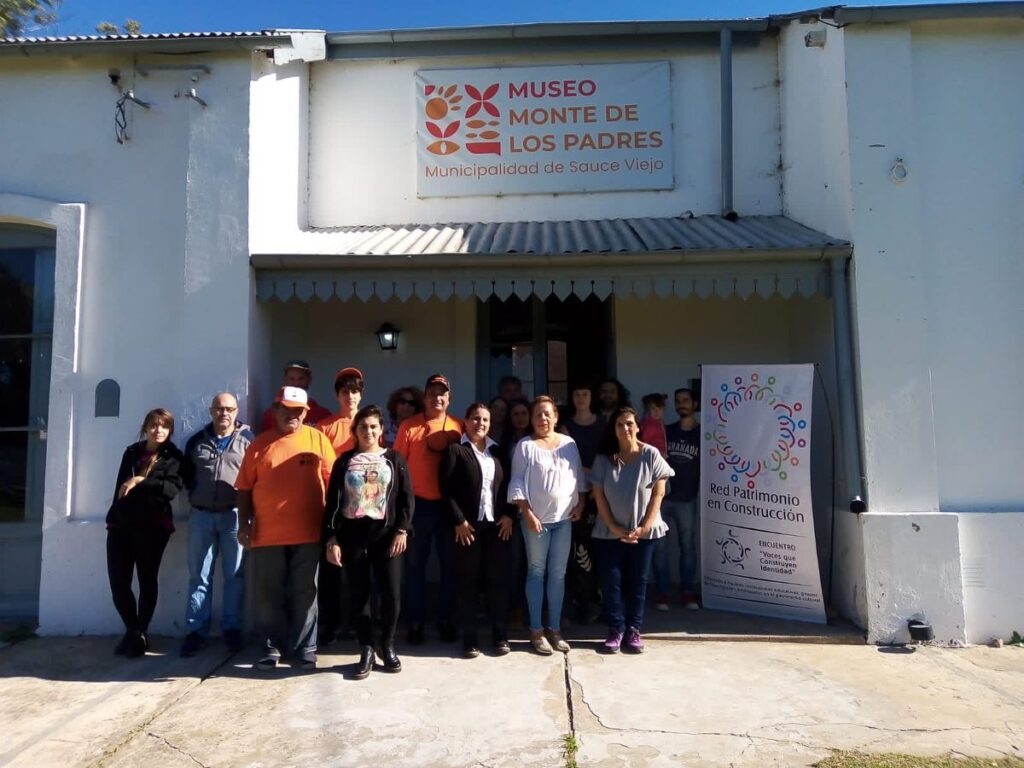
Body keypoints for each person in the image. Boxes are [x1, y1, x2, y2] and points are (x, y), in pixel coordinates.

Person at [236, 386, 336, 670]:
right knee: (269, 593)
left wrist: (333, 529)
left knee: (305, 592)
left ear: (305, 412)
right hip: (267, 534)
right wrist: (244, 524)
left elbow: (334, 483)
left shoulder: (317, 439)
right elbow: (244, 488)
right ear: (276, 410)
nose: (292, 415)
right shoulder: (259, 444)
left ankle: (305, 648)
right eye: (286, 409)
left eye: (298, 410)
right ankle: (271, 647)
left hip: (309, 532)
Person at [325, 405, 413, 679]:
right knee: (359, 595)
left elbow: (406, 499)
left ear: (381, 429)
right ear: (355, 430)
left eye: (373, 426)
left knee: (391, 594)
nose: (368, 431)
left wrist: (402, 530)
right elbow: (333, 502)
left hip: (386, 536)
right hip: (353, 536)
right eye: (363, 427)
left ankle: (387, 644)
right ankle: (366, 648)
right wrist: (331, 537)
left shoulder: (394, 459)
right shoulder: (344, 462)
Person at [591, 406, 674, 654]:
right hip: (609, 532)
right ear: (613, 429)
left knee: (638, 581)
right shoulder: (603, 459)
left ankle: (633, 630)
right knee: (612, 582)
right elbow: (599, 497)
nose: (625, 428)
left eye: (629, 423)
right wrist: (614, 527)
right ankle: (616, 629)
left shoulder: (651, 454)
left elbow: (658, 493)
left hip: (643, 533)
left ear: (638, 426)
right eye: (619, 424)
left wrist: (644, 526)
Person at [507, 396, 585, 655]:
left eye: (547, 414)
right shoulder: (525, 446)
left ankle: (555, 629)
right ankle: (536, 631)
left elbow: (578, 477)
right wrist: (527, 513)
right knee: (536, 572)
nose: (542, 418)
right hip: (536, 522)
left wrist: (581, 503)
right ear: (532, 419)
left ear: (555, 417)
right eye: (538, 414)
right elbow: (517, 481)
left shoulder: (569, 444)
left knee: (558, 575)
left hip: (563, 521)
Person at [105, 407, 184, 657]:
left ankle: (141, 632)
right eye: (154, 425)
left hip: (153, 527)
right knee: (119, 583)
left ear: (170, 430)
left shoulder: (174, 457)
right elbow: (120, 488)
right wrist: (115, 516)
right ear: (146, 428)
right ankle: (133, 630)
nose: (158, 430)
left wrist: (140, 480)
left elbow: (170, 490)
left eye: (164, 425)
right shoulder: (132, 452)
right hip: (122, 525)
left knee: (146, 579)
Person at [179, 393, 254, 657]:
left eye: (229, 409)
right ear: (211, 411)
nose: (224, 413)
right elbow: (186, 475)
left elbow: (255, 477)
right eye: (219, 409)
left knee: (234, 576)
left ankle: (231, 629)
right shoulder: (196, 441)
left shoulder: (248, 440)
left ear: (236, 411)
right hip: (201, 516)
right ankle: (195, 630)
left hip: (234, 516)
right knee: (199, 576)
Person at [440, 403, 514, 658]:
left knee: (497, 581)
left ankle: (499, 634)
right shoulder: (455, 450)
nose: (480, 423)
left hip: (497, 527)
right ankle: (469, 638)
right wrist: (458, 521)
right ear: (466, 421)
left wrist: (509, 515)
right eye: (475, 418)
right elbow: (446, 490)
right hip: (467, 527)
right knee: (467, 582)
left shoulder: (498, 451)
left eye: (484, 420)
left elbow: (510, 486)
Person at [395, 373, 463, 644]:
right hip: (418, 505)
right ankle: (416, 622)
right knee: (414, 566)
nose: (437, 398)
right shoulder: (409, 426)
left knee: (450, 566)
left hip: (448, 507)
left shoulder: (458, 427)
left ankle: (445, 619)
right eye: (432, 393)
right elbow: (398, 467)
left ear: (449, 398)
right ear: (424, 398)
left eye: (442, 393)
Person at [316, 366, 365, 645]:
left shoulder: (369, 425)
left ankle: (360, 625)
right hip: (334, 507)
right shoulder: (325, 427)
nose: (350, 396)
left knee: (360, 570)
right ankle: (331, 624)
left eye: (355, 391)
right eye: (345, 391)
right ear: (337, 395)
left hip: (363, 508)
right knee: (331, 570)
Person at [653, 387, 702, 611]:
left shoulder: (702, 434)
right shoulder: (666, 431)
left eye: (685, 400)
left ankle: (688, 592)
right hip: (662, 499)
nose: (681, 404)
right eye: (678, 401)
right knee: (659, 548)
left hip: (687, 499)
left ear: (695, 404)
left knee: (687, 547)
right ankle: (663, 593)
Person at [561, 382, 604, 624]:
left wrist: (596, 477)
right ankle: (581, 603)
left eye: (585, 393)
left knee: (601, 549)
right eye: (576, 393)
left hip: (602, 496)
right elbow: (568, 461)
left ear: (591, 396)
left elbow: (610, 456)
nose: (580, 397)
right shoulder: (566, 427)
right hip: (576, 496)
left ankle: (600, 602)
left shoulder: (603, 424)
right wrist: (586, 474)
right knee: (580, 551)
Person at [259, 360, 331, 432]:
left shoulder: (323, 414)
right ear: (285, 380)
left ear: (309, 380)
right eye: (291, 379)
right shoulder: (271, 415)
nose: (296, 384)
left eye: (301, 379)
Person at [639, 393, 669, 458]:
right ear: (648, 409)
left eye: (659, 408)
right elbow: (644, 441)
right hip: (651, 456)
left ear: (664, 409)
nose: (656, 411)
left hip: (658, 455)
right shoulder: (650, 424)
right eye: (653, 408)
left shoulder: (659, 423)